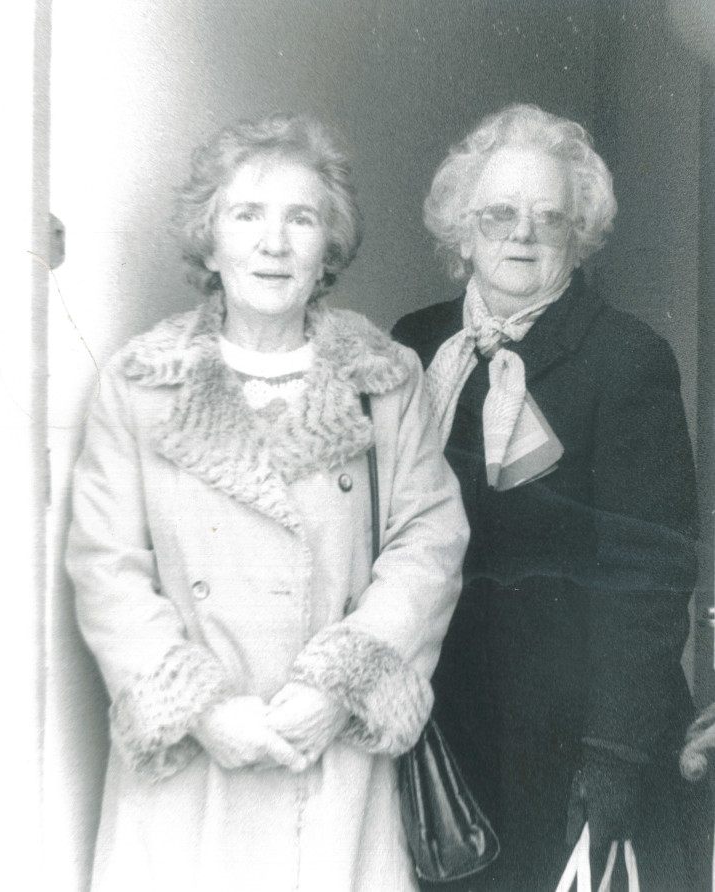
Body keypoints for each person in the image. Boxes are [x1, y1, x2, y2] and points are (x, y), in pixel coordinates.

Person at [66, 113, 468, 892]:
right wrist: (200, 708)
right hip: (190, 779)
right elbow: (106, 567)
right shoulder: (142, 383)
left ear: (329, 249)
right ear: (209, 242)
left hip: (331, 762)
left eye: (301, 219)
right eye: (246, 215)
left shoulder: (384, 381)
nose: (273, 244)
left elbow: (429, 543)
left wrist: (338, 685)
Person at [392, 104, 712, 891]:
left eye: (549, 218)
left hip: (579, 744)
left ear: (580, 235)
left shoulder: (626, 357)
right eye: (498, 214)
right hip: (445, 730)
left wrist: (613, 760)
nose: (521, 235)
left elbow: (650, 574)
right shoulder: (413, 345)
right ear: (459, 229)